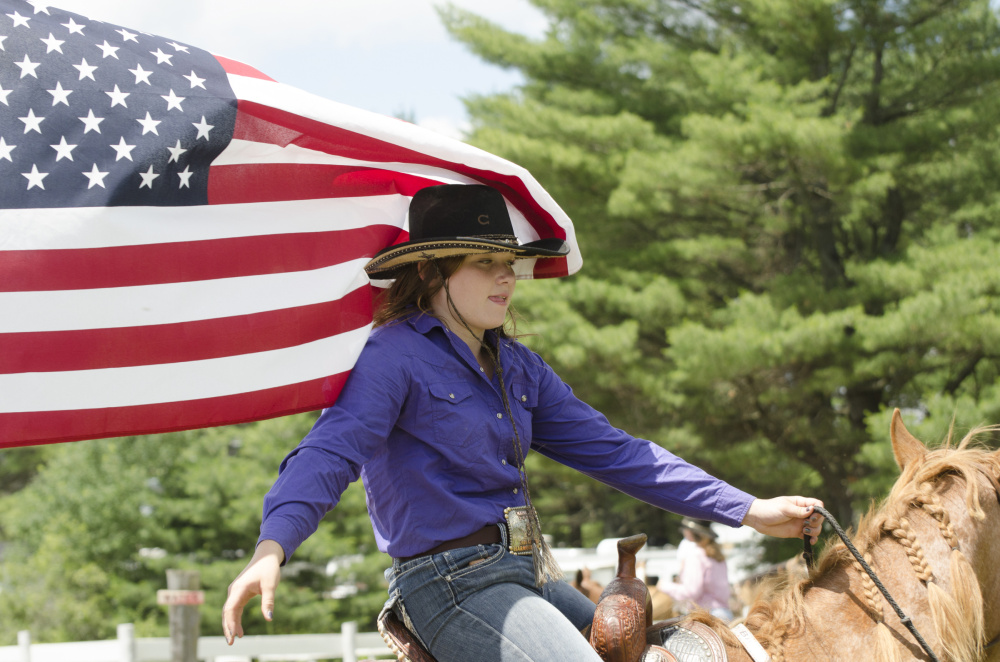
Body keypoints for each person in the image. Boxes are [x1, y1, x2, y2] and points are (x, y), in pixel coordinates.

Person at [222, 184, 825, 662]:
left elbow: (623, 455)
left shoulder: (520, 368)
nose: (507, 277)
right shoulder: (394, 355)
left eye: (509, 262)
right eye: (485, 263)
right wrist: (272, 548)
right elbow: (329, 452)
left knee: (673, 658)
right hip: (449, 586)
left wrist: (749, 509)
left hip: (527, 574)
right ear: (433, 273)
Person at [659, 518, 733, 621]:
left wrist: (664, 586)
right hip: (725, 614)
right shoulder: (717, 556)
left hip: (707, 616)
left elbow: (692, 592)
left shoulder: (695, 555)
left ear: (690, 533)